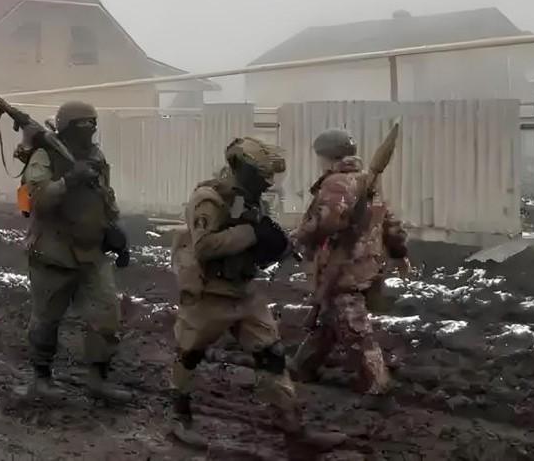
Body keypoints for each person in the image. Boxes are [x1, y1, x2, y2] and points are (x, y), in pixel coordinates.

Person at [171, 137, 346, 454]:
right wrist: (252, 233)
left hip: (243, 291)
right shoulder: (209, 198)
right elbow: (205, 247)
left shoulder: (250, 201)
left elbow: (255, 248)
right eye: (262, 175)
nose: (267, 182)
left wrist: (273, 246)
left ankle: (294, 430)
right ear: (242, 169)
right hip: (209, 291)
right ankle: (179, 416)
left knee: (271, 355)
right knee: (190, 353)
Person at [19, 101, 131, 404]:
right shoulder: (45, 156)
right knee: (46, 319)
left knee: (106, 315)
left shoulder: (96, 156)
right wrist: (68, 181)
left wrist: (115, 229)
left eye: (92, 123)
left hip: (92, 251)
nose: (89, 130)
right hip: (52, 253)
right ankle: (41, 378)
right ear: (67, 127)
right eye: (82, 124)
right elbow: (36, 200)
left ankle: (97, 379)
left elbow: (105, 195)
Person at [290, 129, 411, 408]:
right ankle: (302, 367)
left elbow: (326, 222)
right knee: (329, 321)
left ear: (325, 156)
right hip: (365, 265)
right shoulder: (368, 181)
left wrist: (298, 237)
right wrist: (399, 252)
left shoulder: (336, 184)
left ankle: (377, 382)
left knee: (354, 327)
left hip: (341, 267)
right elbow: (389, 221)